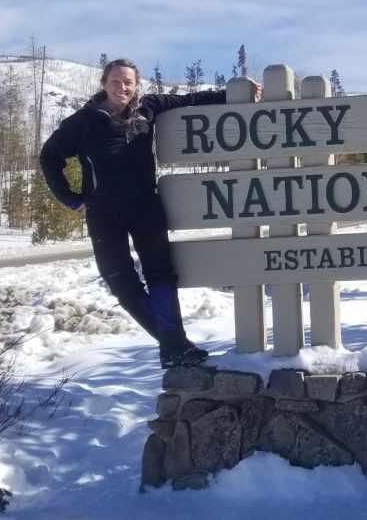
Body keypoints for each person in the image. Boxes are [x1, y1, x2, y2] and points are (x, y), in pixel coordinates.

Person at [40, 58, 253, 368]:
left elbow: (189, 100)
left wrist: (235, 96)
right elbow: (49, 157)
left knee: (160, 275)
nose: (122, 87)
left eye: (128, 82)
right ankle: (174, 344)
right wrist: (72, 199)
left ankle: (174, 347)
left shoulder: (147, 107)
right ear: (104, 83)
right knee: (120, 281)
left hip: (145, 207)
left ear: (135, 85)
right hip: (103, 213)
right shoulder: (83, 122)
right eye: (115, 81)